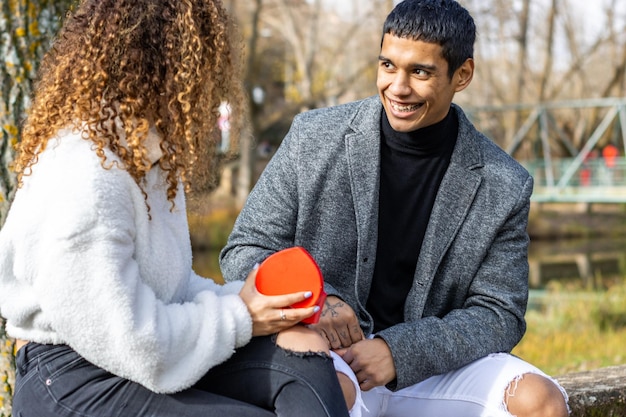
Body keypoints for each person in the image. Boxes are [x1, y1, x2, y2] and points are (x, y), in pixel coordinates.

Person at [219, 1, 571, 416]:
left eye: (419, 72)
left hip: (428, 368)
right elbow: (245, 250)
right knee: (327, 394)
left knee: (541, 403)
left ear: (463, 75)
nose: (397, 87)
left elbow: (499, 312)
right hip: (328, 356)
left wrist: (397, 352)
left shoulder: (505, 183)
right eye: (388, 65)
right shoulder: (312, 138)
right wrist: (321, 301)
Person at [0, 0, 350, 416]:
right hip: (71, 377)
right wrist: (242, 316)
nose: (211, 90)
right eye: (200, 69)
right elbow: (138, 342)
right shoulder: (86, 174)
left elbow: (174, 289)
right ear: (162, 69)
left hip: (144, 351)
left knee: (308, 366)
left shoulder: (147, 157)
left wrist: (256, 304)